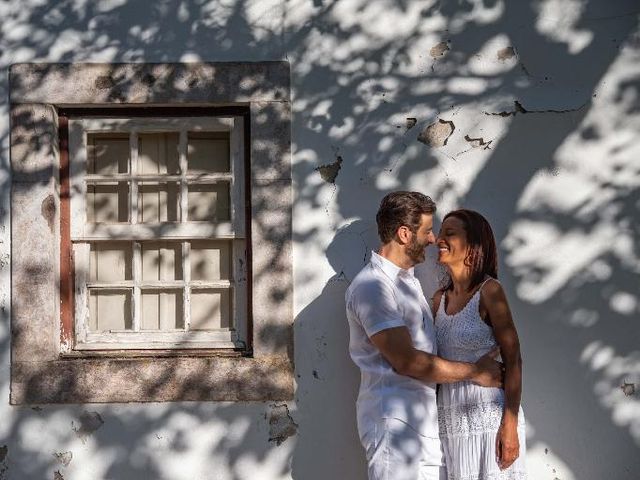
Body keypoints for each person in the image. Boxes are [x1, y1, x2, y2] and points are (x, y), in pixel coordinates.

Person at [345, 192, 504, 480]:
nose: (433, 239)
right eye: (428, 231)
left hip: (424, 426)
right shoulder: (373, 287)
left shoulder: (408, 282)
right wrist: (476, 372)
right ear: (405, 234)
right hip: (396, 427)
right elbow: (407, 361)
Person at [433, 209, 527, 480]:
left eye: (449, 233)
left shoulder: (490, 291)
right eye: (440, 232)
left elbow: (514, 359)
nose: (440, 239)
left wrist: (509, 425)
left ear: (473, 245)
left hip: (489, 416)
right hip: (450, 418)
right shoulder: (438, 300)